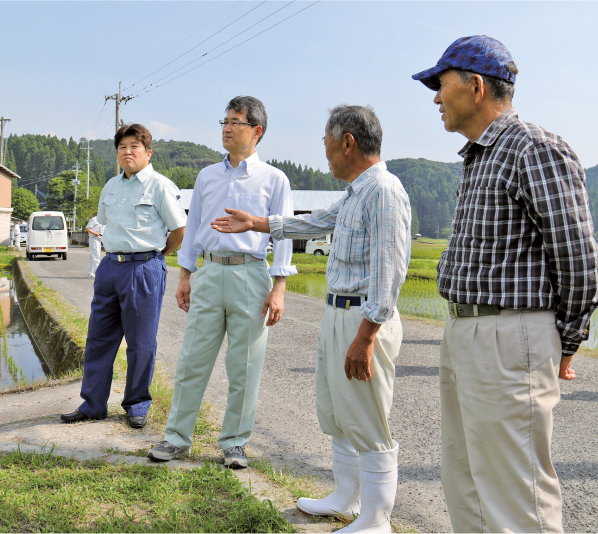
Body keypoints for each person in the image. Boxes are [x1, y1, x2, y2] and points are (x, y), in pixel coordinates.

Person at [412, 35, 598, 532]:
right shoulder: (478, 155)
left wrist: (569, 338)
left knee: (518, 497)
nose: (434, 97)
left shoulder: (534, 147)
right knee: (466, 479)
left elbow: (577, 256)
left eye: (441, 83)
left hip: (510, 335)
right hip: (466, 330)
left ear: (475, 87)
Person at [212, 105, 411, 531]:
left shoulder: (385, 191)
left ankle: (377, 519)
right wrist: (259, 223)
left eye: (325, 142)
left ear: (347, 142)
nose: (324, 152)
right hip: (340, 313)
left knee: (368, 416)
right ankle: (345, 498)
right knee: (338, 412)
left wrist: (366, 336)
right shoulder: (358, 191)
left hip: (363, 320)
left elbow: (390, 271)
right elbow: (318, 222)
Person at [147, 96, 297, 469]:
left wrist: (279, 287)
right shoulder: (207, 176)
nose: (227, 128)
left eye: (236, 122)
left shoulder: (274, 179)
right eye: (225, 122)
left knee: (245, 365)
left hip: (252, 274)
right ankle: (176, 438)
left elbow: (285, 234)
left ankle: (234, 443)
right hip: (210, 271)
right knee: (192, 359)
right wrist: (186, 275)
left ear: (256, 131)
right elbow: (194, 224)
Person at [60, 123, 187, 429]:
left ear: (148, 152)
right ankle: (93, 404)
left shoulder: (159, 186)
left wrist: (156, 257)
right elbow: (103, 223)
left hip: (143, 267)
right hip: (109, 267)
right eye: (122, 147)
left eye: (134, 147)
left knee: (141, 342)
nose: (127, 152)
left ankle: (136, 404)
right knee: (98, 339)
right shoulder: (111, 186)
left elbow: (180, 231)